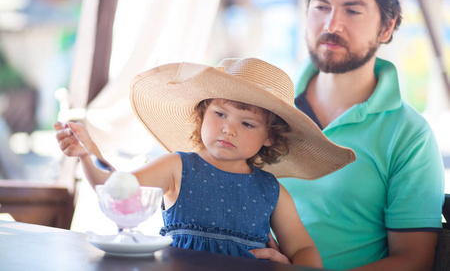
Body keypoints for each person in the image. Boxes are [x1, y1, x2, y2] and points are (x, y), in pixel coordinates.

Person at [53, 58, 355, 267]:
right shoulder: (177, 167)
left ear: (270, 138)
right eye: (219, 114)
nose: (228, 128)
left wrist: (291, 265)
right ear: (202, 114)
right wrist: (88, 153)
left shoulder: (271, 191)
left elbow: (303, 248)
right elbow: (115, 188)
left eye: (247, 124)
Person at [251, 0, 445, 270]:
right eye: (321, 7)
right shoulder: (265, 107)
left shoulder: (410, 136)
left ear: (387, 27)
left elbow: (413, 260)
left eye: (352, 10)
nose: (331, 25)